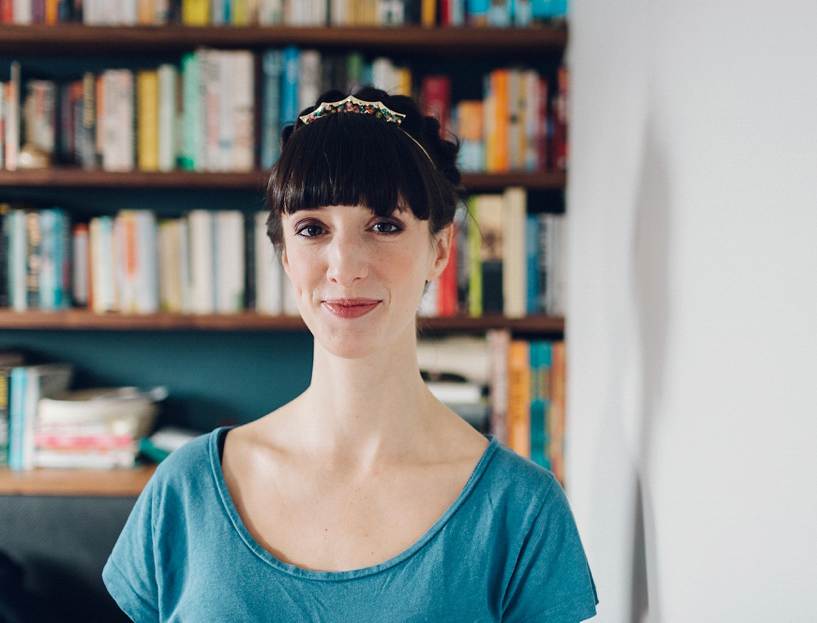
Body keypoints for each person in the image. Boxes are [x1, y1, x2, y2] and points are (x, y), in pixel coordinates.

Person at [102, 87, 597, 622]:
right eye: (312, 229)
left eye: (384, 226)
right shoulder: (185, 490)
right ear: (285, 255)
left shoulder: (521, 511)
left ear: (440, 249)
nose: (344, 266)